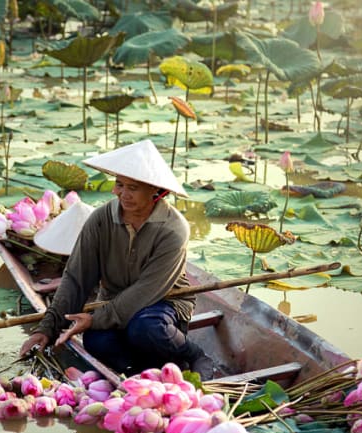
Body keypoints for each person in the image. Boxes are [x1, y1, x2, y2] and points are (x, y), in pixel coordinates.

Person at [17, 139, 214, 379]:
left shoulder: (173, 229)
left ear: (157, 192)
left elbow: (146, 290)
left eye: (133, 188)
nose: (122, 193)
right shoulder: (101, 220)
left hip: (163, 303)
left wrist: (94, 319)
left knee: (145, 328)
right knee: (97, 342)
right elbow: (77, 278)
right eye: (119, 185)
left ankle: (193, 355)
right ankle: (142, 371)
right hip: (112, 301)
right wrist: (47, 328)